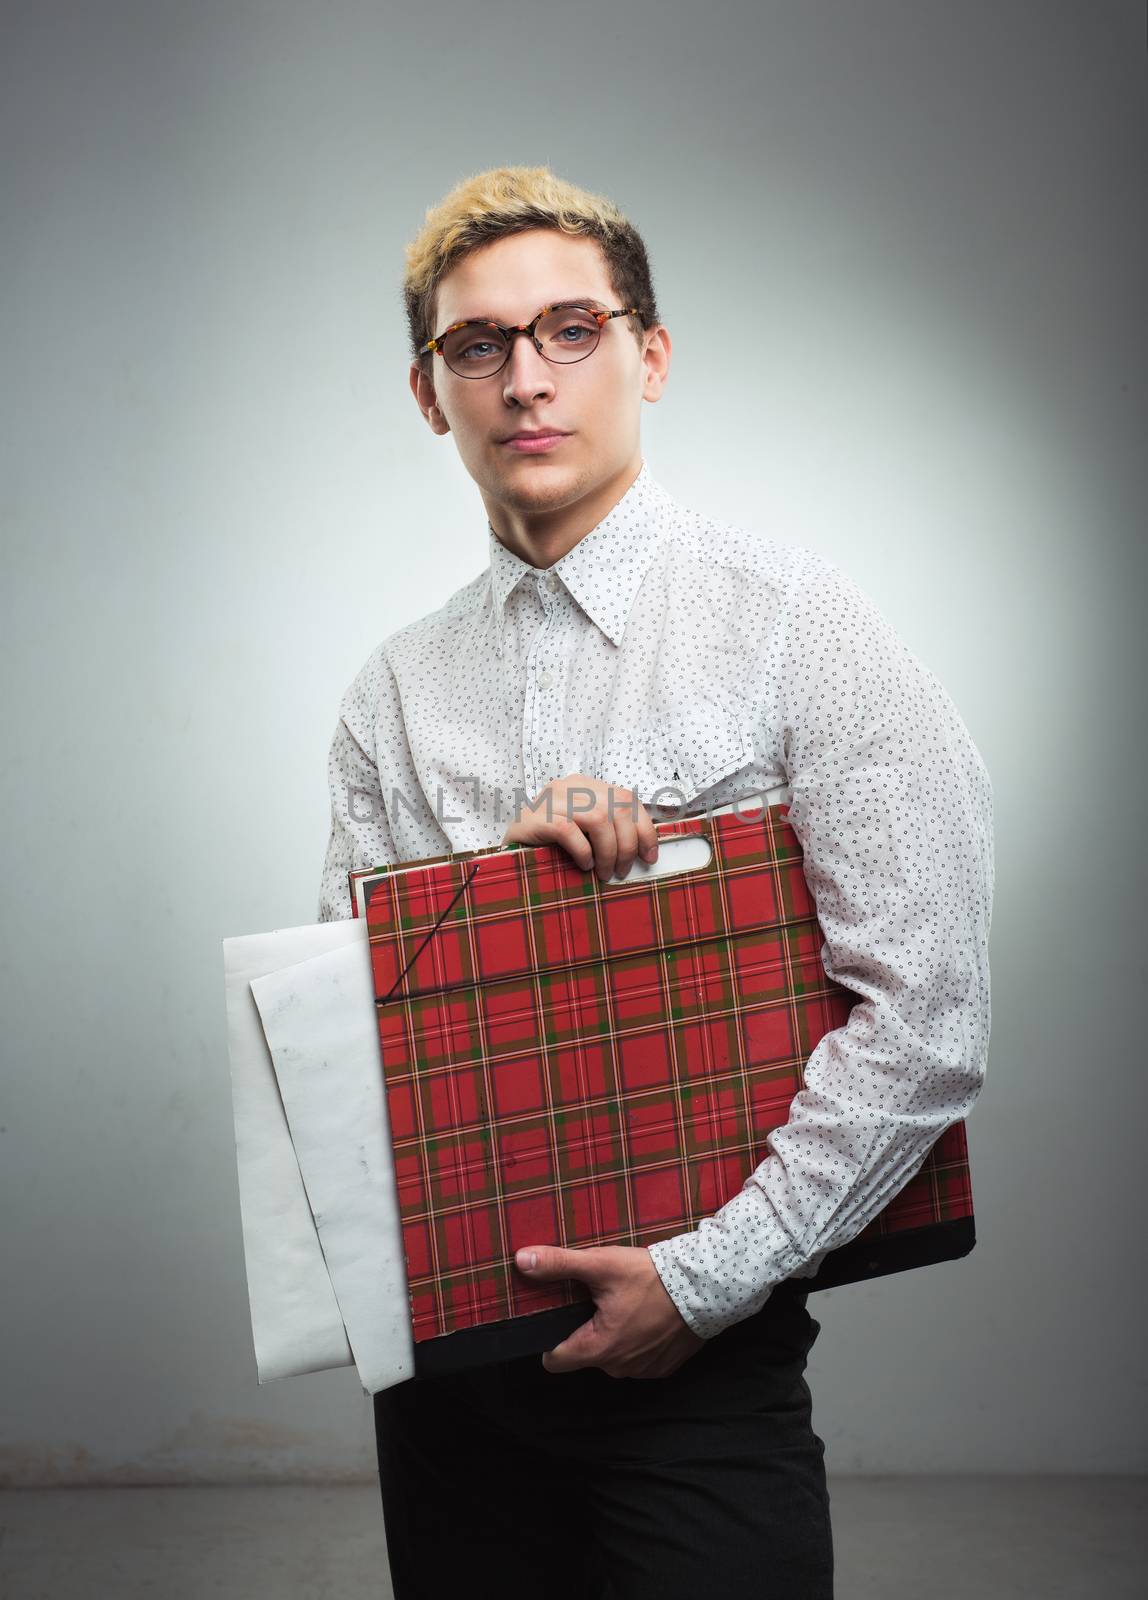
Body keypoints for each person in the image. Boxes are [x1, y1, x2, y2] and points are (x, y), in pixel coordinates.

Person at [317, 164, 994, 1600]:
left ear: (650, 354)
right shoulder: (390, 694)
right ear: (431, 393)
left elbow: (929, 1015)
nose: (526, 379)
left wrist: (704, 1282)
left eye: (572, 329)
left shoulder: (796, 623)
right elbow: (352, 1041)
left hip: (705, 1365)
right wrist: (505, 885)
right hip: (448, 1385)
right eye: (477, 345)